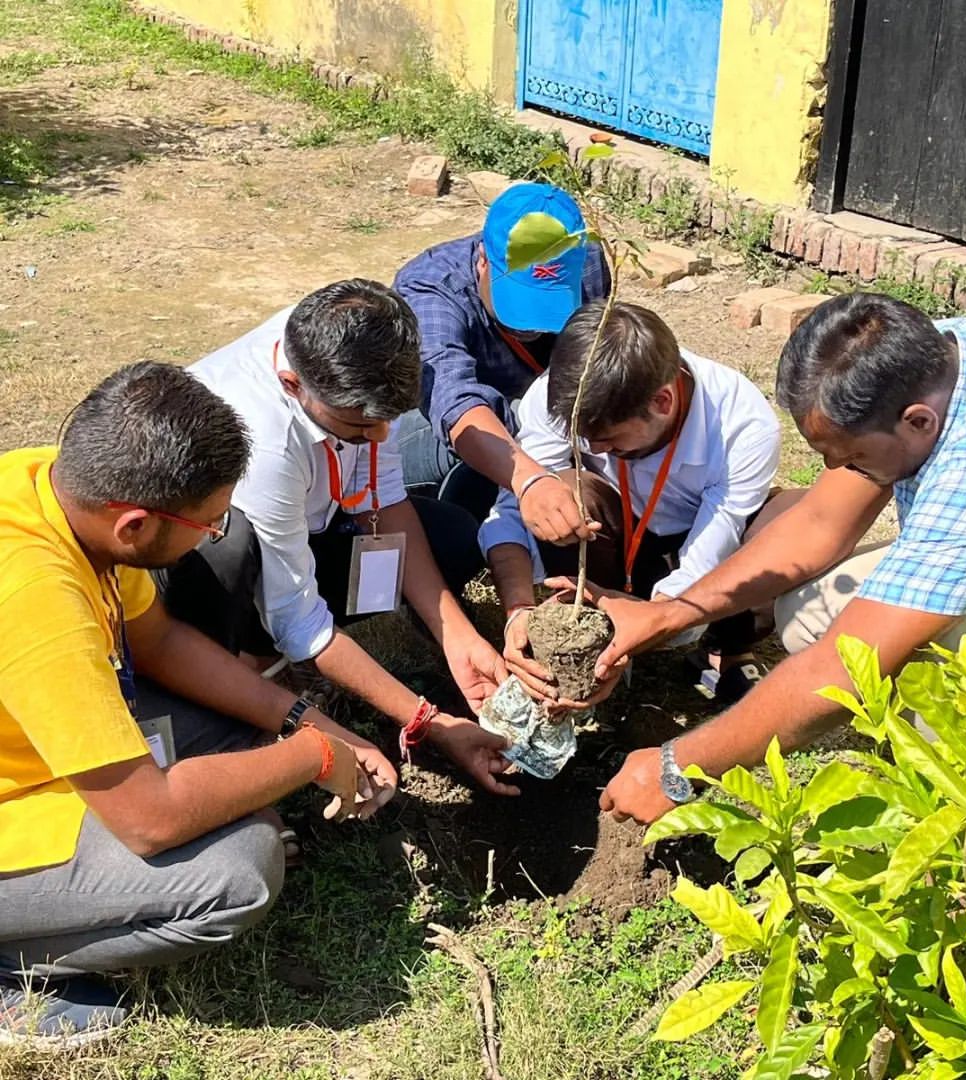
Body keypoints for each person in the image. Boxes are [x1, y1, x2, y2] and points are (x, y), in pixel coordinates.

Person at [0, 363, 397, 1046]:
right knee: (238, 871)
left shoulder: (53, 487)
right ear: (133, 526)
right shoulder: (37, 600)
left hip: (33, 749)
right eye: (209, 524)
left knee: (242, 747)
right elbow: (151, 820)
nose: (217, 534)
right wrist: (313, 756)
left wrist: (305, 722)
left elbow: (157, 641)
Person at [592, 294, 966, 823]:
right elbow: (819, 524)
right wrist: (669, 613)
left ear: (917, 422)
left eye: (853, 457)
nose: (835, 469)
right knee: (811, 609)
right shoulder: (935, 357)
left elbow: (846, 663)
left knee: (926, 654)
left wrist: (676, 766)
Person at [160, 279, 518, 799]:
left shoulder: (359, 354)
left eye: (386, 421)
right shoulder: (261, 443)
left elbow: (384, 495)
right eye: (358, 429)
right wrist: (429, 721)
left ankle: (280, 655)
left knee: (454, 537)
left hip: (311, 521)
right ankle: (244, 667)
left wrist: (457, 637)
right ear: (293, 385)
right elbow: (299, 619)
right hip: (216, 554)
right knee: (231, 548)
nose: (380, 437)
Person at [478, 301, 781, 705]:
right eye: (584, 440)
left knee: (784, 524)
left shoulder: (742, 427)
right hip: (615, 539)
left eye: (609, 439)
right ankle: (591, 641)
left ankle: (725, 647)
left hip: (695, 552)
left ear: (662, 402)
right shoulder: (559, 397)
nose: (594, 449)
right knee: (563, 489)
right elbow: (513, 509)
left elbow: (706, 558)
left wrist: (651, 625)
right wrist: (517, 610)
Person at [392, 182, 610, 528]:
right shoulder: (430, 289)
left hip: (542, 418)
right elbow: (453, 402)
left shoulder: (589, 263)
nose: (533, 326)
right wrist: (531, 481)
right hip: (437, 429)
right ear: (483, 261)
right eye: (519, 299)